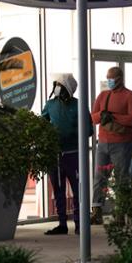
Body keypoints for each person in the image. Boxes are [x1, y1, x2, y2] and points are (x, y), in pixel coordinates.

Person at [41, 74, 92, 235]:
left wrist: (73, 133)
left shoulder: (79, 105)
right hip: (55, 155)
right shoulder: (50, 105)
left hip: (73, 155)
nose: (56, 87)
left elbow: (89, 129)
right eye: (55, 84)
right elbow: (41, 124)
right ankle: (62, 224)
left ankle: (79, 223)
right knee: (58, 190)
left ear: (67, 89)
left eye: (59, 85)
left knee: (78, 191)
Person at [91, 67, 132, 225]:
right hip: (103, 143)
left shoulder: (130, 96)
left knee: (121, 178)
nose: (109, 81)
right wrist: (101, 115)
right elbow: (93, 117)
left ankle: (120, 214)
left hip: (123, 143)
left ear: (120, 78)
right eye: (107, 78)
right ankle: (96, 211)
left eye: (112, 78)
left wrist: (113, 116)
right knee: (100, 178)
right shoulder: (103, 95)